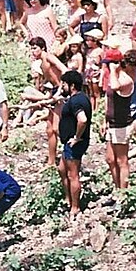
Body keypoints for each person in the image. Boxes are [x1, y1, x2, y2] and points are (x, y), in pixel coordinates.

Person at [57, 70, 91, 217]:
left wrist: (77, 137)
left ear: (71, 86)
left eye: (63, 84)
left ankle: (75, 208)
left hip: (74, 143)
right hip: (68, 143)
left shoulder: (76, 101)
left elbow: (82, 119)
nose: (62, 87)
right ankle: (68, 199)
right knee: (61, 169)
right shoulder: (79, 98)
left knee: (73, 175)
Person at [103, 51, 135, 191]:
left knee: (122, 160)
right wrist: (104, 120)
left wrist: (113, 69)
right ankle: (116, 188)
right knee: (110, 159)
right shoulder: (113, 77)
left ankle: (123, 192)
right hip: (111, 123)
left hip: (122, 124)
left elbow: (116, 87)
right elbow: (107, 97)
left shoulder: (125, 79)